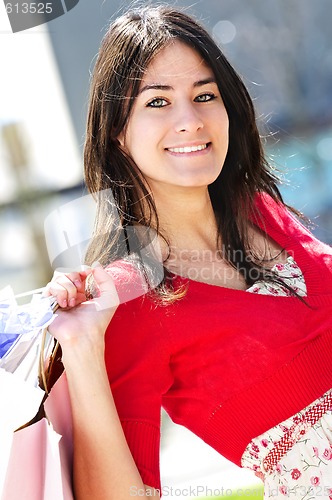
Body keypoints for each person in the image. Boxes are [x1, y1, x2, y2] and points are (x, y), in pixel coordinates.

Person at [46, 5, 332, 499]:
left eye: (204, 95)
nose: (190, 120)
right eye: (158, 102)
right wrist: (82, 347)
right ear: (117, 131)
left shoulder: (260, 209)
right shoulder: (130, 303)